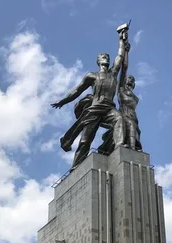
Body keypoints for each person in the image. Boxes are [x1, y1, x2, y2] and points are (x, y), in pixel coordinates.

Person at [51, 29, 128, 171]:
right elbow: (76, 90)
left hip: (108, 108)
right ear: (98, 61)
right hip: (94, 109)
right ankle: (75, 166)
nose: (106, 57)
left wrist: (121, 40)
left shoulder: (113, 73)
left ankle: (119, 147)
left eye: (107, 56)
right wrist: (62, 101)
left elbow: (120, 56)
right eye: (102, 56)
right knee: (86, 139)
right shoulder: (91, 76)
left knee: (119, 120)